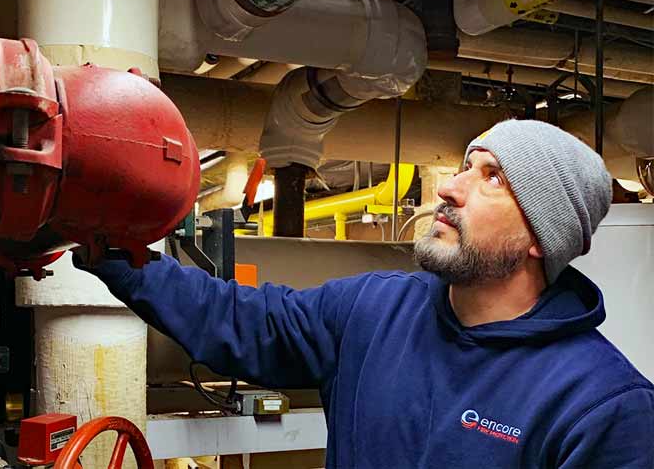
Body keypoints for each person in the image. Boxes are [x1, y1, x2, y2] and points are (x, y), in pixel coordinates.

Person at [75, 119, 654, 468]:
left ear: (539, 237)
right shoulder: (375, 310)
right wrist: (125, 262)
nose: (450, 188)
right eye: (463, 166)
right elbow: (247, 321)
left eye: (493, 178)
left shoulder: (603, 406)